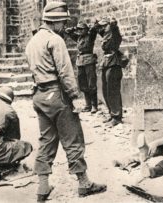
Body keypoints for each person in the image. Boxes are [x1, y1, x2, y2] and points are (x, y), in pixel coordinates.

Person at [25, 2, 106, 202]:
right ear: (56, 21)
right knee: (73, 138)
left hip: (40, 95)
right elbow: (65, 72)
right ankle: (84, 183)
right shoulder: (55, 40)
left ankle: (43, 188)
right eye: (63, 22)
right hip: (56, 94)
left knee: (46, 140)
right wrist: (75, 97)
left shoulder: (32, 41)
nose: (64, 26)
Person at [65, 21, 98, 113]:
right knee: (83, 84)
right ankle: (88, 105)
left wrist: (91, 26)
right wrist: (75, 28)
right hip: (80, 62)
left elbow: (94, 29)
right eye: (79, 29)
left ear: (86, 30)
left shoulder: (90, 36)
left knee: (91, 83)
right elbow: (68, 32)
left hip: (89, 61)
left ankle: (94, 105)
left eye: (82, 29)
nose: (79, 31)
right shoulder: (78, 37)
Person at [97, 17, 124, 127]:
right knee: (106, 90)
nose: (103, 27)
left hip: (114, 63)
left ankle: (117, 117)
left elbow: (115, 29)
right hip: (106, 62)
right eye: (102, 26)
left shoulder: (113, 32)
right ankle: (112, 114)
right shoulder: (105, 33)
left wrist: (113, 24)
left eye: (105, 25)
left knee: (113, 90)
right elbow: (97, 29)